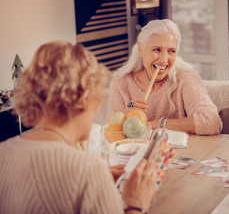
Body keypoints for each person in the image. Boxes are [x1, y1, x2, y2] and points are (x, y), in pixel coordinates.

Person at [0, 41, 156, 213]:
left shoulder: (3, 152)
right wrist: (135, 204)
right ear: (84, 98)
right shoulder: (89, 171)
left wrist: (98, 180)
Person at [107, 19, 222, 135]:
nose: (164, 60)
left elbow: (211, 121)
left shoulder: (185, 78)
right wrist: (125, 120)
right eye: (157, 50)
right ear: (140, 49)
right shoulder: (120, 83)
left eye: (171, 51)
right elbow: (111, 134)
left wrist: (158, 124)